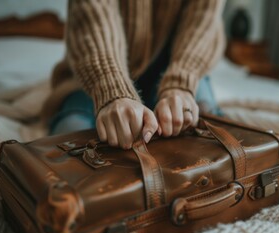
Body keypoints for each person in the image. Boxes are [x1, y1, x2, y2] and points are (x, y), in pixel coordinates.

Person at [42, 0, 226, 149]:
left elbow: (203, 19)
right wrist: (112, 90)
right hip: (94, 72)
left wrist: (180, 84)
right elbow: (94, 16)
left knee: (212, 137)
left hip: (175, 65)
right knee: (72, 135)